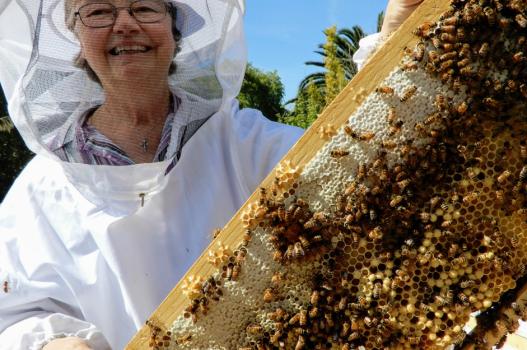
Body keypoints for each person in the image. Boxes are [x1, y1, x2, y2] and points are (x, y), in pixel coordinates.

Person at [0, 0, 424, 349]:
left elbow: (360, 162)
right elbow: (13, 315)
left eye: (145, 8)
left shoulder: (245, 142)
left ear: (175, 28)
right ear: (76, 34)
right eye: (98, 11)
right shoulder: (36, 195)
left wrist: (398, 49)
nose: (124, 24)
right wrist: (51, 343)